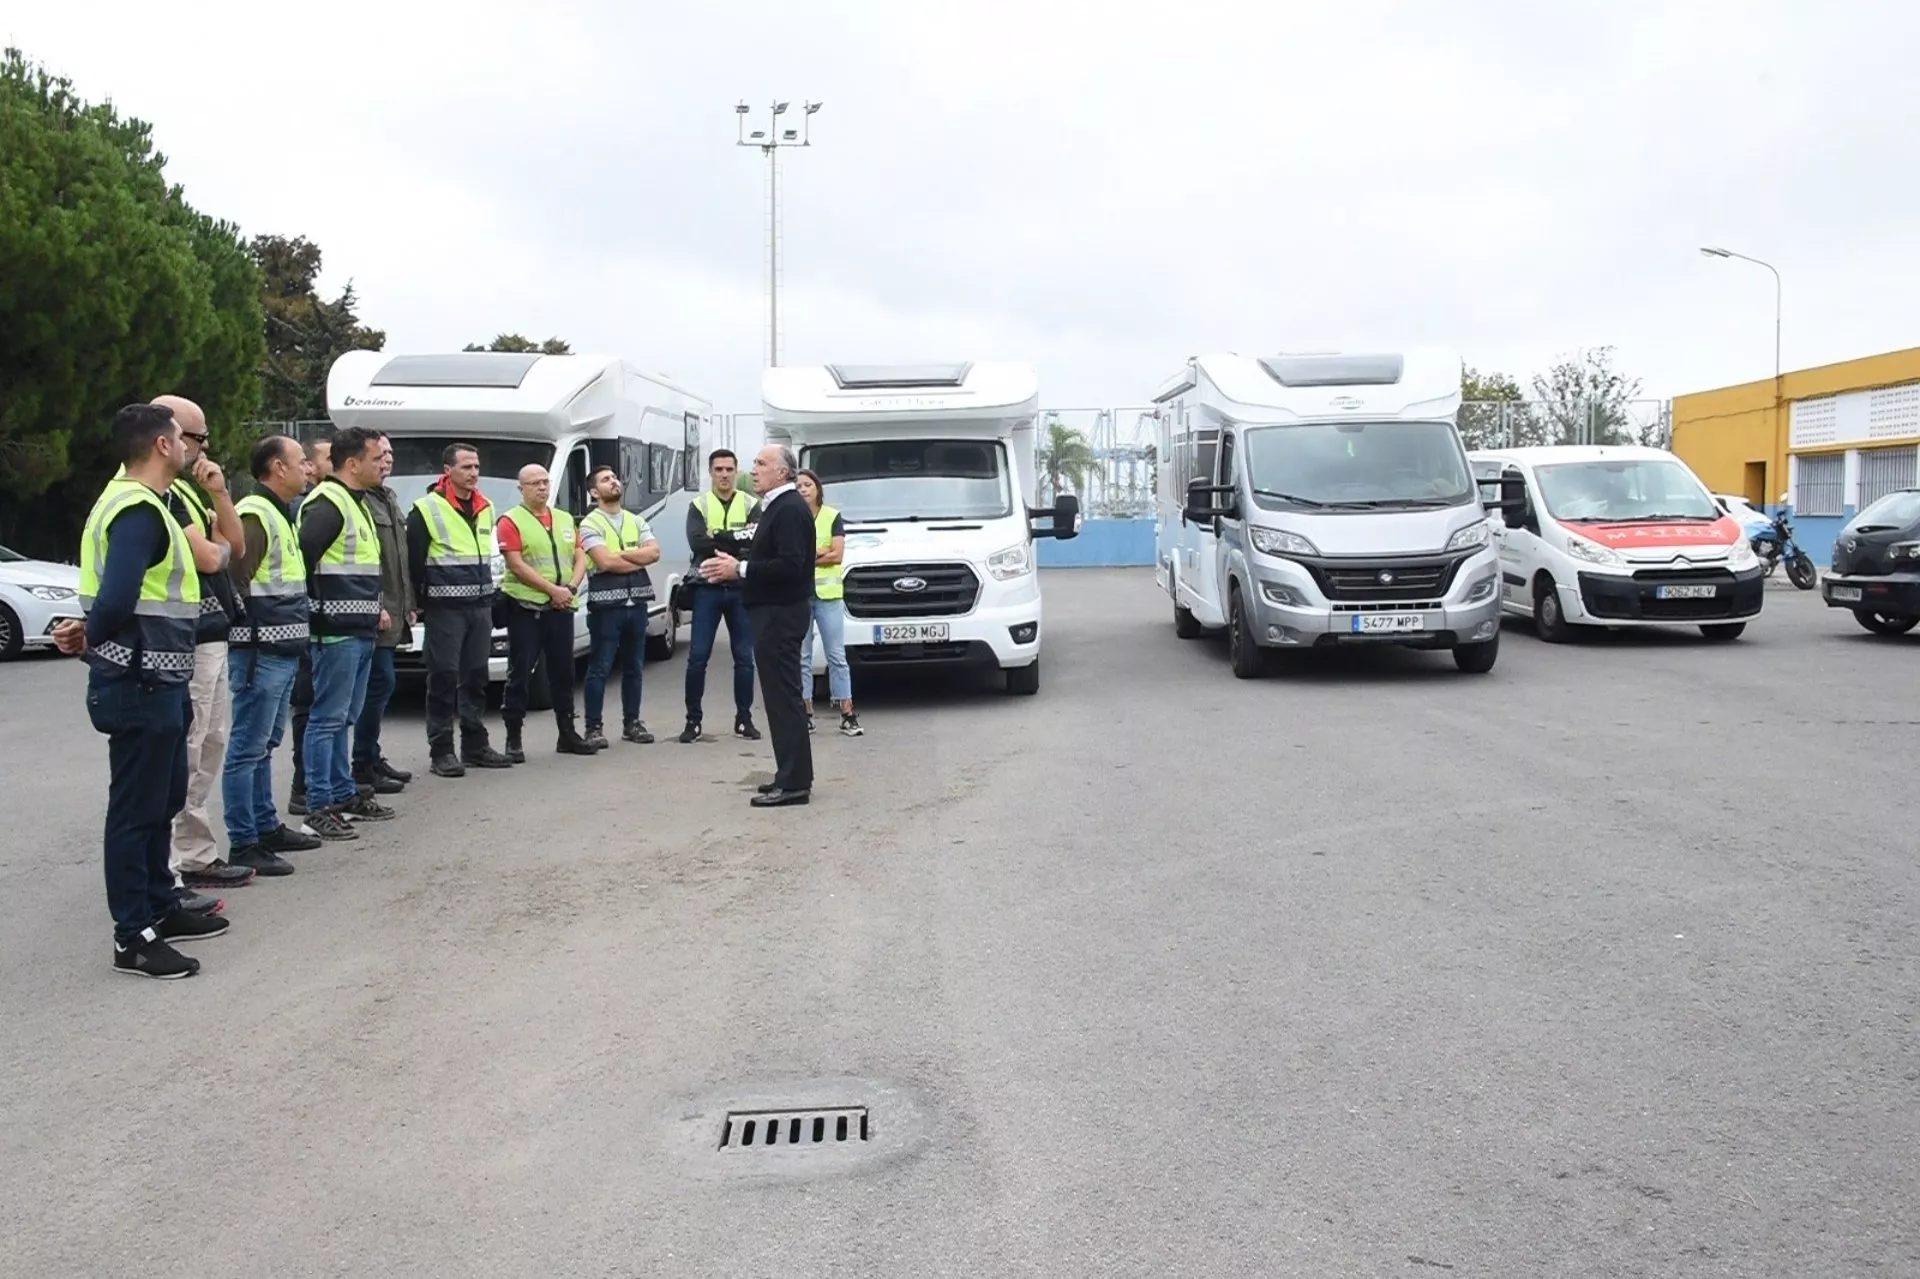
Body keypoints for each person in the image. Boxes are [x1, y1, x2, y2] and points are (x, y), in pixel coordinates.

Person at [57, 403, 230, 978]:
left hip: (161, 677)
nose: (188, 448)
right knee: (136, 811)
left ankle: (161, 904)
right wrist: (92, 640)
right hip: (138, 681)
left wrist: (92, 633)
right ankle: (133, 936)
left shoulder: (149, 504)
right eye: (182, 438)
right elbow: (117, 596)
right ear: (162, 445)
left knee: (164, 797)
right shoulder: (137, 510)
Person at [140, 396, 256, 897]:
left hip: (209, 631)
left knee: (209, 746)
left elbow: (235, 547)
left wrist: (221, 495)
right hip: (181, 638)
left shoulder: (187, 494)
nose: (205, 447)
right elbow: (212, 558)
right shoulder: (158, 496)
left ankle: (196, 853)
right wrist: (218, 549)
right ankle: (169, 867)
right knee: (183, 753)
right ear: (169, 437)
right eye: (198, 437)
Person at [219, 434, 323, 876]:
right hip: (261, 650)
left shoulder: (280, 514)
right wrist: (253, 636)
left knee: (263, 746)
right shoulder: (256, 514)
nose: (308, 469)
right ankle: (244, 841)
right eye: (301, 462)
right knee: (247, 747)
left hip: (280, 648)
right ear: (277, 468)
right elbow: (234, 583)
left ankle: (265, 826)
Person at [698, 444, 815, 807]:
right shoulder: (775, 508)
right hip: (771, 612)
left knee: (784, 699)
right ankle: (788, 774)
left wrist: (741, 569)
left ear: (783, 472)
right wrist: (737, 561)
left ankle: (795, 783)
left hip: (781, 614)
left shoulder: (790, 509)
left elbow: (792, 566)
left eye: (762, 464)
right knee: (779, 698)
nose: (754, 470)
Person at [298, 426, 395, 841]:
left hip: (357, 626)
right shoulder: (328, 503)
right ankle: (319, 804)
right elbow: (301, 562)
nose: (384, 464)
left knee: (343, 718)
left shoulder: (355, 501)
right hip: (334, 631)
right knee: (327, 719)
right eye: (377, 458)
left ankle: (343, 793)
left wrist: (375, 610)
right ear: (352, 464)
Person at [408, 442, 512, 776]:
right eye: (466, 467)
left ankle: (475, 745)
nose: (474, 474)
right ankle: (441, 751)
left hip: (480, 607)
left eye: (477, 467)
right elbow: (415, 562)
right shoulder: (426, 509)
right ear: (447, 471)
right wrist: (421, 605)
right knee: (443, 678)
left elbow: (489, 555)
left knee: (476, 678)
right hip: (445, 609)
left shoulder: (486, 507)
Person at [498, 463, 596, 758]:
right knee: (520, 673)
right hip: (526, 608)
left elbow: (580, 554)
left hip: (561, 608)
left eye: (545, 482)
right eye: (534, 483)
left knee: (563, 673)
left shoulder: (565, 519)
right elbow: (516, 564)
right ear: (521, 489)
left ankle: (567, 733)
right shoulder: (511, 521)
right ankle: (513, 737)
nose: (542, 487)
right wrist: (552, 591)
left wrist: (571, 587)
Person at [680, 448, 761, 744]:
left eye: (729, 469)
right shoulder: (698, 504)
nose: (724, 475)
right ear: (711, 472)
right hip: (707, 588)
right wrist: (736, 539)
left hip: (740, 588)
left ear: (736, 471)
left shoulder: (752, 503)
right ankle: (693, 721)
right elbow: (697, 542)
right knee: (697, 657)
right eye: (719, 470)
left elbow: (757, 541)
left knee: (744, 658)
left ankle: (744, 719)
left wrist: (721, 537)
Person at [579, 464, 661, 748]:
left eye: (614, 478)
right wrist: (635, 557)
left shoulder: (636, 521)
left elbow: (655, 553)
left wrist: (621, 555)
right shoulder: (590, 524)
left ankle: (632, 723)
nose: (613, 482)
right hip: (606, 606)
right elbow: (604, 562)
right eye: (605, 479)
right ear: (594, 491)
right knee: (600, 667)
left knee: (634, 667)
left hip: (636, 603)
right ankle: (593, 727)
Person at [351, 431, 415, 796]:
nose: (388, 460)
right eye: (381, 454)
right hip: (373, 611)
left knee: (381, 685)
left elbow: (399, 557)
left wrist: (409, 603)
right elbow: (362, 559)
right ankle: (362, 764)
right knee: (376, 687)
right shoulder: (358, 502)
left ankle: (371, 756)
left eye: (390, 453)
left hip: (394, 607)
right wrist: (376, 604)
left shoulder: (387, 497)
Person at [795, 468, 862, 738]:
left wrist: (808, 556)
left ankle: (847, 712)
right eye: (798, 485)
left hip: (828, 596)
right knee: (802, 657)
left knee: (837, 656)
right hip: (800, 595)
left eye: (808, 484)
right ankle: (805, 713)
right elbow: (792, 554)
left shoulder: (833, 516)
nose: (803, 489)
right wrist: (820, 552)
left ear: (817, 489)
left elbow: (837, 555)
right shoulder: (793, 517)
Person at [287, 435, 329, 816]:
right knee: (309, 704)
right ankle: (304, 786)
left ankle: (321, 781)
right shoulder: (308, 507)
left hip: (310, 621)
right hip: (308, 622)